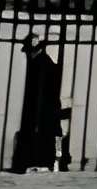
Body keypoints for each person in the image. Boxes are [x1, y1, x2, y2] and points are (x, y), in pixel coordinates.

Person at [5, 38, 66, 174]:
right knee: (55, 133)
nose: (27, 54)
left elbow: (39, 90)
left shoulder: (40, 63)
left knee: (49, 134)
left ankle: (53, 161)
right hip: (49, 108)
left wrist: (36, 111)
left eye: (27, 51)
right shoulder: (44, 61)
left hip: (44, 108)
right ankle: (54, 161)